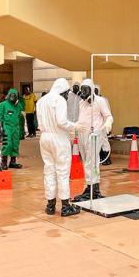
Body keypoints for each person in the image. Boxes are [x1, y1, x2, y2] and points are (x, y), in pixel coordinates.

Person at [37, 78, 86, 217]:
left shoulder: (41, 101)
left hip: (44, 137)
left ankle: (50, 205)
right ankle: (65, 206)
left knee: (49, 171)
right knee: (63, 172)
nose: (67, 96)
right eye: (66, 93)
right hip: (58, 138)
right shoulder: (59, 100)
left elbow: (39, 123)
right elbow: (62, 122)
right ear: (62, 90)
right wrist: (75, 126)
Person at [73, 78, 113, 202]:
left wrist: (108, 124)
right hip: (82, 135)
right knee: (86, 161)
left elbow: (108, 116)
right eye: (82, 90)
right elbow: (80, 118)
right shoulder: (81, 103)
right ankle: (90, 187)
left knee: (92, 162)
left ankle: (93, 189)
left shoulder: (100, 101)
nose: (83, 92)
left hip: (94, 135)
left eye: (86, 90)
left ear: (91, 90)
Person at [0, 88, 24, 170]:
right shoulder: (3, 105)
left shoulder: (18, 106)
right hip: (7, 126)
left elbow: (20, 117)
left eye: (14, 96)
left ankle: (13, 162)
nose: (13, 97)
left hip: (16, 127)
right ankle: (4, 162)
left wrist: (21, 130)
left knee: (15, 144)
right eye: (11, 95)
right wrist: (0, 128)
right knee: (7, 144)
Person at [95, 85, 113, 166]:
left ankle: (107, 158)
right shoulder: (91, 101)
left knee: (104, 142)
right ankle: (100, 158)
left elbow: (107, 112)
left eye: (96, 90)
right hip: (95, 127)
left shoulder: (103, 100)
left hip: (102, 125)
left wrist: (107, 124)